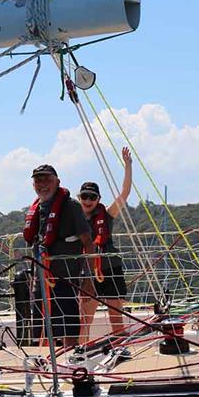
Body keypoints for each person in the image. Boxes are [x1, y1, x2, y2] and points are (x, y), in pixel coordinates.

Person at [23, 164, 94, 348]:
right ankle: (47, 367)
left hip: (65, 279)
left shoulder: (71, 207)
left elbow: (88, 242)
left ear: (57, 182)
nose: (42, 184)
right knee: (43, 328)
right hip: (41, 279)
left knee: (68, 328)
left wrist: (89, 279)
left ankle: (70, 363)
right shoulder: (37, 209)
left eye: (47, 179)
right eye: (38, 180)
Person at [77, 146, 133, 343]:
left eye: (92, 197)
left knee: (116, 315)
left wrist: (128, 165)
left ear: (99, 199)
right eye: (85, 196)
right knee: (85, 317)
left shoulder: (107, 216)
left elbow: (124, 193)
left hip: (110, 268)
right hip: (88, 272)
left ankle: (119, 344)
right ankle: (80, 350)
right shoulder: (74, 220)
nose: (88, 200)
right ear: (79, 198)